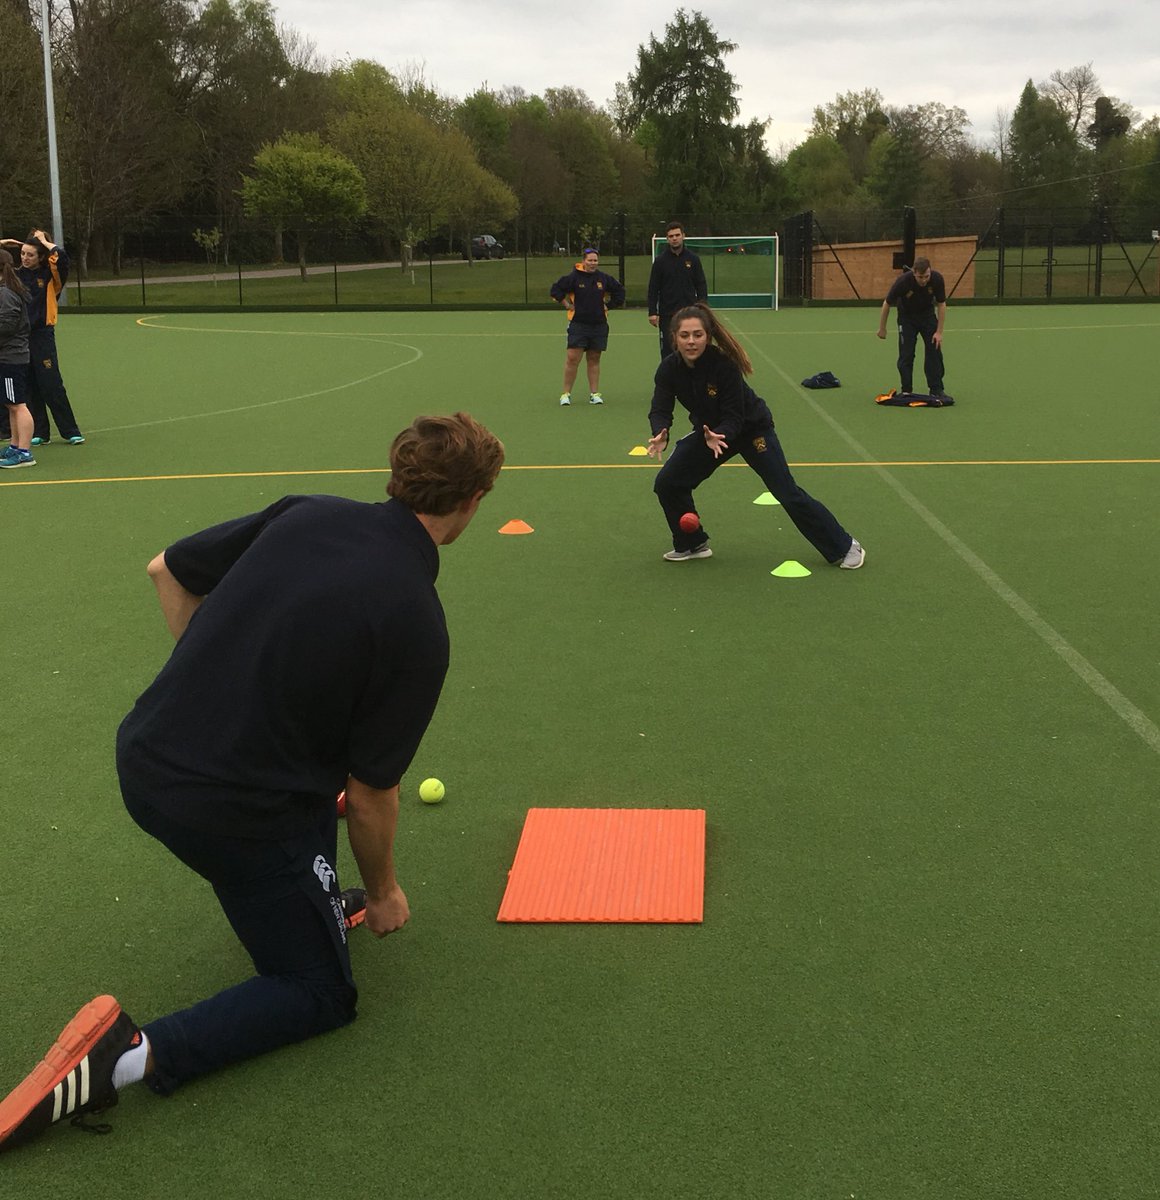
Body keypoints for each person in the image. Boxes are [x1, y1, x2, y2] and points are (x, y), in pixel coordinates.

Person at [0, 412, 505, 1152]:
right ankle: (123, 1059)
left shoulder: (309, 514)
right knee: (319, 991)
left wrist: (216, 686)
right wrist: (385, 893)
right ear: (473, 500)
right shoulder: (417, 623)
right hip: (226, 810)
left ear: (397, 476)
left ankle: (312, 895)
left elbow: (167, 570)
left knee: (313, 792)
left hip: (145, 756)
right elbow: (372, 796)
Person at [647, 303, 864, 568]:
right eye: (685, 335)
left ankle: (845, 546)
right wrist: (661, 431)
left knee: (786, 492)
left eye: (697, 335)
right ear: (674, 338)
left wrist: (719, 434)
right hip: (710, 435)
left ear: (708, 336)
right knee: (668, 482)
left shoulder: (723, 365)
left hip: (751, 430)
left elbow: (734, 416)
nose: (691, 341)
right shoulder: (669, 369)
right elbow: (660, 408)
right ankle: (691, 543)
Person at [0, 229, 85, 446]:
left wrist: (44, 241)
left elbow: (61, 258)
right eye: (23, 254)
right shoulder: (14, 276)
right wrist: (2, 243)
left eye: (30, 255)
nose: (25, 258)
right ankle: (40, 432)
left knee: (50, 383)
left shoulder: (50, 277)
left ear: (41, 257)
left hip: (42, 335)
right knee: (29, 384)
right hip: (19, 337)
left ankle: (70, 430)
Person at [549, 247, 625, 406]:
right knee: (572, 358)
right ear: (584, 261)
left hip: (599, 325)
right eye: (590, 260)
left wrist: (609, 305)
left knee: (594, 358)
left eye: (595, 260)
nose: (593, 263)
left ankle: (594, 394)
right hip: (578, 324)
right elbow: (556, 289)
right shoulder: (574, 277)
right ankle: (566, 394)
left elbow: (619, 291)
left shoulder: (603, 278)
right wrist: (566, 304)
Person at [876, 256, 947, 397]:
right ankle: (907, 390)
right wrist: (882, 328)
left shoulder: (937, 279)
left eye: (927, 276)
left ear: (930, 271)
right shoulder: (903, 282)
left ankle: (936, 389)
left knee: (934, 351)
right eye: (920, 277)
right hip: (906, 318)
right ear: (914, 273)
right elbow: (887, 303)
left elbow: (941, 304)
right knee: (906, 354)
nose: (924, 280)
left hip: (927, 316)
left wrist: (939, 332)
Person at [647, 221, 708, 359]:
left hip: (690, 313)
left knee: (690, 348)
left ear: (683, 236)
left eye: (677, 235)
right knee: (668, 350)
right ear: (667, 239)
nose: (674, 238)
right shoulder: (660, 261)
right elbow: (653, 287)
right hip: (667, 314)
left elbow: (701, 284)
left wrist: (703, 307)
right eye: (671, 236)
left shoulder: (693, 259)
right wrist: (652, 312)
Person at [0, 248, 35, 470]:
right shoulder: (7, 289)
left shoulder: (6, 292)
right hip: (9, 356)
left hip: (11, 357)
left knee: (18, 405)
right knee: (11, 404)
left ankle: (24, 452)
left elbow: (7, 325)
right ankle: (15, 445)